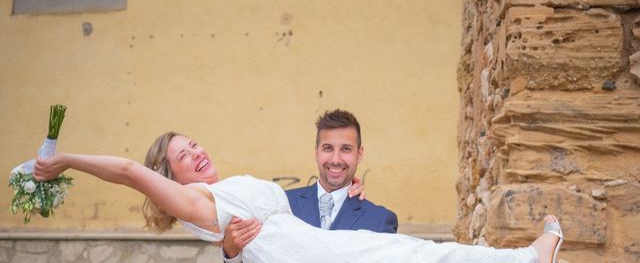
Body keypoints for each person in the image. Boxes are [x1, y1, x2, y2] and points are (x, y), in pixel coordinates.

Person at [33, 131, 564, 263]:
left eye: (193, 143)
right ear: (169, 177)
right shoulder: (196, 204)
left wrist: (342, 190)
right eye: (182, 155)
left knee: (416, 253)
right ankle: (527, 258)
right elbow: (127, 170)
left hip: (314, 246)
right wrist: (66, 160)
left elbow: (283, 204)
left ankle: (523, 259)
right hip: (313, 257)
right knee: (416, 255)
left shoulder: (224, 191)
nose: (195, 153)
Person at [222, 109, 397, 263]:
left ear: (359, 154)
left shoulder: (380, 221)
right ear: (316, 152)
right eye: (328, 148)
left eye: (345, 149)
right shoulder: (279, 204)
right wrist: (231, 254)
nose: (335, 159)